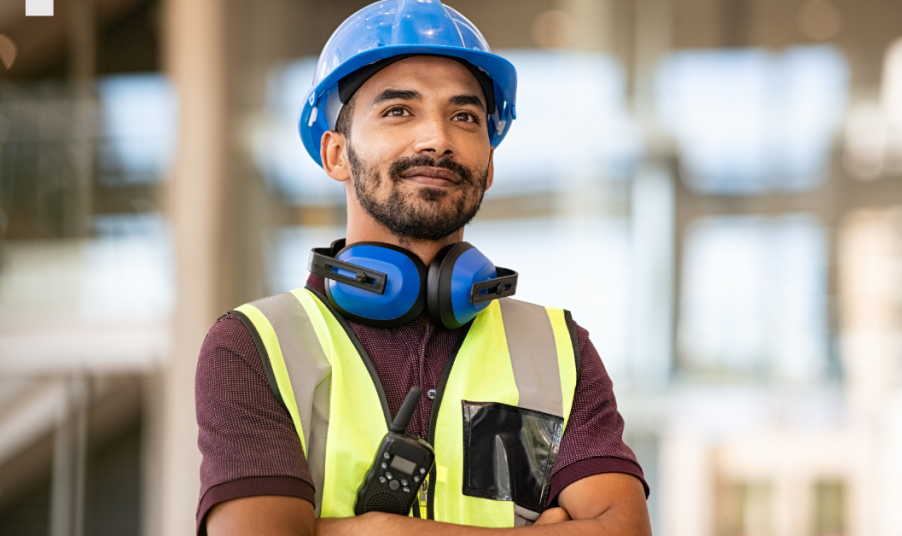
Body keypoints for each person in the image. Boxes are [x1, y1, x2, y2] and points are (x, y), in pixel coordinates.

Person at [195, 1, 651, 535]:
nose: (437, 138)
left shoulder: (558, 350)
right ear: (336, 154)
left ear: (490, 163)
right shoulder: (254, 345)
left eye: (465, 117)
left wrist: (365, 530)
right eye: (398, 111)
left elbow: (623, 529)